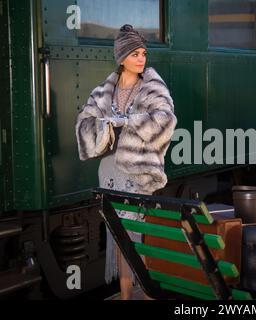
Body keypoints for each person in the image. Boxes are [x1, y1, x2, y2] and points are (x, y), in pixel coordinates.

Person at [75, 24, 177, 299]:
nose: (142, 58)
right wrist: (105, 128)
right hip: (110, 171)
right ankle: (124, 294)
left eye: (143, 53)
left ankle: (142, 290)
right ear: (121, 58)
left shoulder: (152, 84)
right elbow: (84, 123)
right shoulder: (104, 91)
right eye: (135, 54)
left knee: (136, 232)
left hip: (138, 170)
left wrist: (126, 123)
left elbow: (165, 120)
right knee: (118, 235)